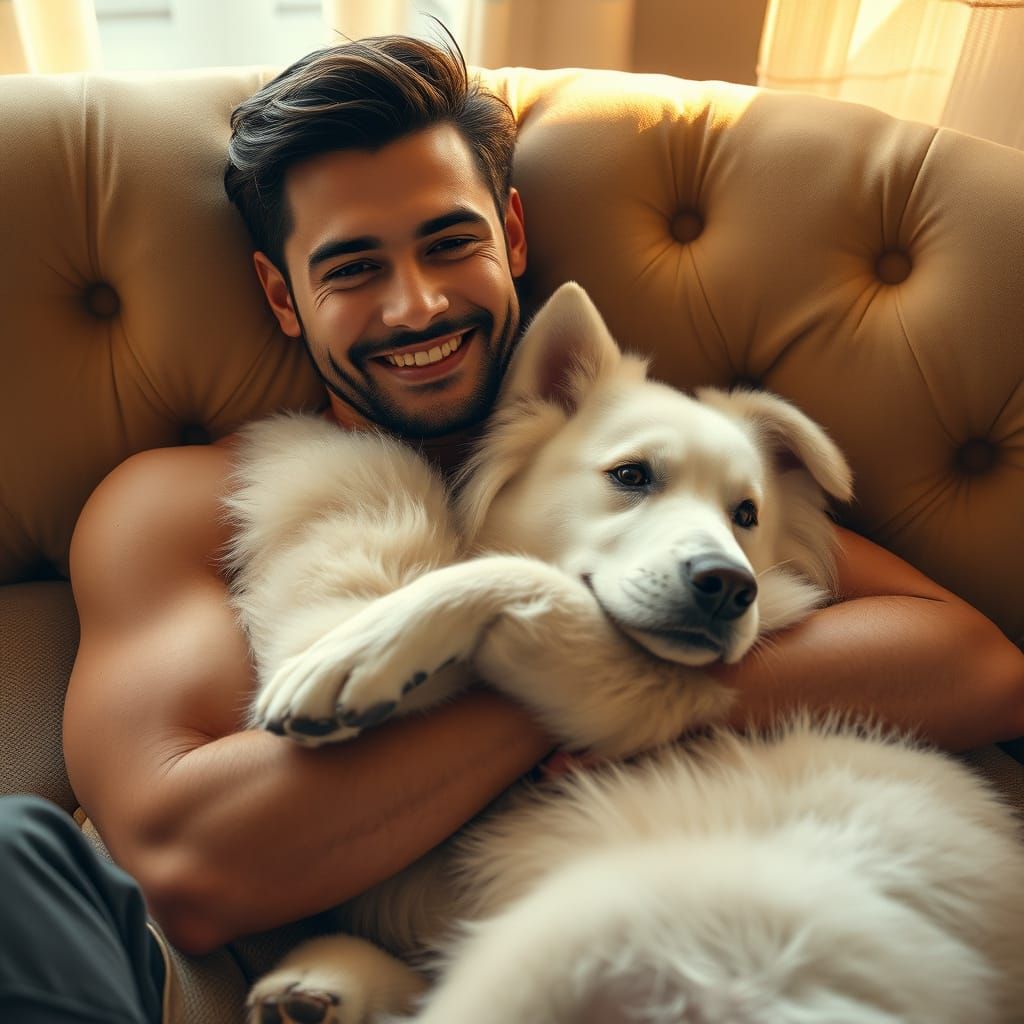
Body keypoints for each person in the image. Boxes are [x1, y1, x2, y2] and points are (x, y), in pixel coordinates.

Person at [5, 31, 1021, 1024]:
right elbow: (186, 855)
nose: (418, 305)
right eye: (352, 269)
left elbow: (973, 663)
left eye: (451, 243)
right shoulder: (180, 499)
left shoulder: (645, 454)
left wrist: (614, 673)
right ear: (282, 294)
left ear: (514, 237)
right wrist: (552, 681)